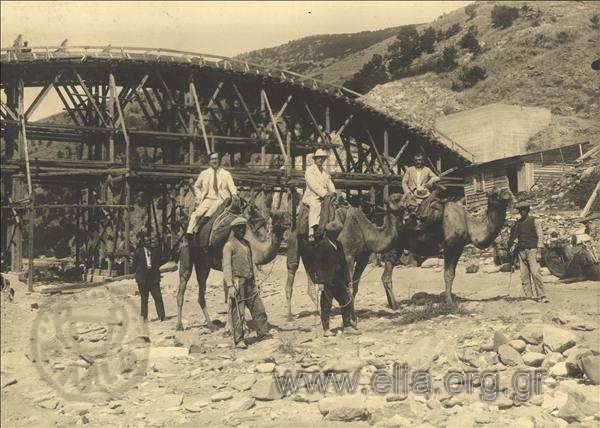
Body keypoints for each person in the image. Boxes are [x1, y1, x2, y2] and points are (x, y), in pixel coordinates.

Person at [223, 217, 269, 349]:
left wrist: (256, 280)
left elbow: (252, 263)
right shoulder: (229, 246)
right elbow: (226, 266)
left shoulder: (247, 244)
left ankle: (263, 333)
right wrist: (230, 286)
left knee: (258, 308)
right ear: (234, 230)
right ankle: (239, 340)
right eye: (239, 228)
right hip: (237, 282)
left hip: (250, 281)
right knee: (238, 312)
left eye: (243, 228)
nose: (242, 230)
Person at [315, 220, 359, 337]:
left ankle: (347, 326)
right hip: (327, 281)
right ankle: (326, 329)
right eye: (335, 233)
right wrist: (320, 282)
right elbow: (318, 265)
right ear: (329, 233)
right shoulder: (321, 245)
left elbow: (344, 263)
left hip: (339, 280)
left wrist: (348, 281)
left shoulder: (339, 245)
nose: (337, 235)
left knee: (346, 301)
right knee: (326, 305)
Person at [185, 151, 237, 243]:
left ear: (219, 160)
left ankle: (200, 225)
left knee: (212, 209)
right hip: (208, 199)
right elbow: (196, 186)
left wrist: (234, 194)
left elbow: (232, 185)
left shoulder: (226, 174)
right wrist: (199, 197)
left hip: (221, 199)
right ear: (209, 161)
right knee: (195, 214)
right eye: (212, 159)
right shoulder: (204, 173)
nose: (214, 161)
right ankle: (189, 235)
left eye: (216, 159)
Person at [508, 202, 548, 302]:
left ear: (528, 210)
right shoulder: (518, 222)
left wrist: (539, 251)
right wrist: (514, 245)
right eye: (520, 210)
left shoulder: (534, 220)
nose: (522, 212)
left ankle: (542, 296)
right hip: (521, 251)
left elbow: (540, 236)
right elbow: (518, 236)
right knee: (524, 275)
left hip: (532, 250)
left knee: (535, 273)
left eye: (524, 209)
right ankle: (529, 296)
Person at [302, 148, 336, 240]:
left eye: (322, 158)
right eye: (318, 158)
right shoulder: (309, 171)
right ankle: (311, 231)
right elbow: (313, 185)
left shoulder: (325, 172)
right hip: (312, 196)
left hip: (325, 196)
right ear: (315, 159)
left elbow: (329, 182)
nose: (320, 160)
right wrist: (325, 194)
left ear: (324, 160)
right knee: (315, 205)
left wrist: (333, 192)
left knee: (336, 206)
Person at [134, 232, 166, 321]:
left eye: (149, 240)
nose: (148, 242)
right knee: (144, 299)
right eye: (146, 241)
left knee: (158, 297)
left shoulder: (154, 251)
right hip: (143, 278)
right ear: (143, 242)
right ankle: (144, 317)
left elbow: (160, 260)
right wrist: (140, 272)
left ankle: (162, 316)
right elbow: (134, 265)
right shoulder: (138, 252)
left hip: (153, 277)